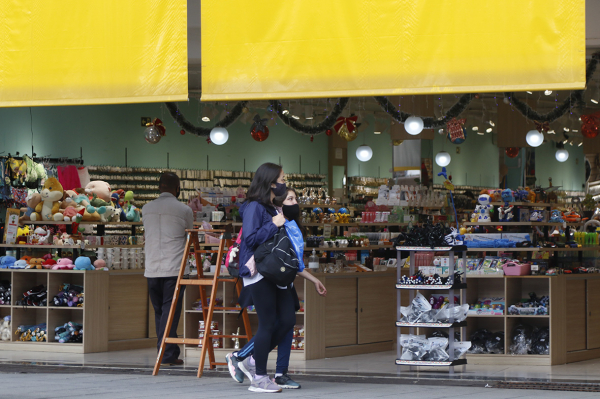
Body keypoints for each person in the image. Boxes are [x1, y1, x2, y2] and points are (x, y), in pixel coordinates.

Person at [226, 188, 326, 390]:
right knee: (270, 323)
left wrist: (313, 278)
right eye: (290, 198)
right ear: (279, 201)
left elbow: (293, 261)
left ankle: (274, 370)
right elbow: (257, 245)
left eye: (296, 198)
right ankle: (248, 362)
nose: (295, 202)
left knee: (287, 321)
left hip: (282, 279)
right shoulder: (269, 218)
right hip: (265, 277)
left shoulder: (291, 226)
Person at [142, 172, 193, 366]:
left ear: (159, 187)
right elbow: (190, 236)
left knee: (160, 312)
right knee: (170, 312)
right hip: (174, 268)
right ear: (177, 188)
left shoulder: (146, 209)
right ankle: (165, 354)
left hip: (152, 268)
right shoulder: (184, 210)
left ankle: (165, 352)